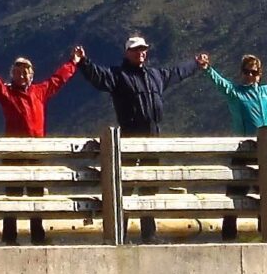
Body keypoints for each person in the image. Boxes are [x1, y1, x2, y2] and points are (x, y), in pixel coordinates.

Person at [74, 36, 200, 240]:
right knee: (124, 185)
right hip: (129, 136)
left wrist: (195, 64)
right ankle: (120, 234)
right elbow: (98, 76)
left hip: (153, 136)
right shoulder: (118, 75)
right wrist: (83, 62)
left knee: (149, 185)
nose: (140, 52)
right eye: (135, 49)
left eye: (143, 49)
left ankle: (149, 234)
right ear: (127, 53)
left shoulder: (155, 75)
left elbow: (177, 73)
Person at [201, 52, 267, 239]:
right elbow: (220, 82)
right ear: (241, 73)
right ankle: (228, 236)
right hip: (244, 150)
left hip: (265, 149)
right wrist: (207, 69)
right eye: (247, 72)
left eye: (254, 72)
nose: (250, 76)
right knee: (235, 194)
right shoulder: (235, 92)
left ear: (260, 74)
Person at [0, 49, 79, 243]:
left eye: (25, 72)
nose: (22, 75)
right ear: (12, 74)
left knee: (36, 194)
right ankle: (9, 236)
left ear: (31, 75)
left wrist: (73, 62)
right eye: (18, 72)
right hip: (13, 152)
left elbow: (58, 79)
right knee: (12, 195)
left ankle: (38, 235)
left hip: (36, 152)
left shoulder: (40, 91)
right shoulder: (7, 93)